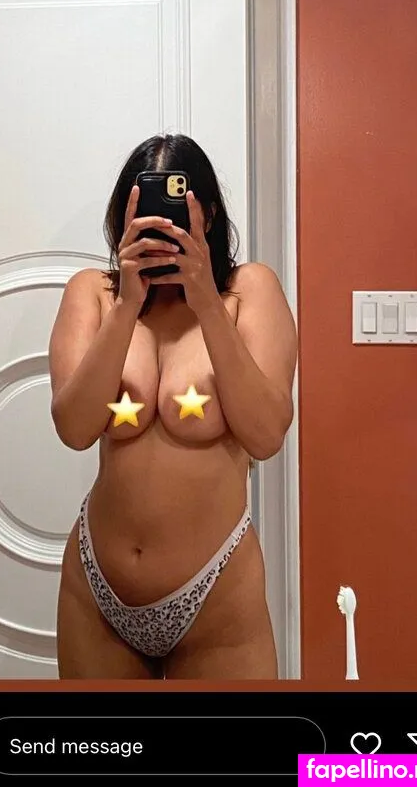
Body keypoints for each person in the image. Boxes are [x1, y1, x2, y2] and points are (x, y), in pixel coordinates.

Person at [49, 133, 298, 679]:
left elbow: (265, 435)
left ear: (208, 215)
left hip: (218, 596)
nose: (160, 229)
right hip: (97, 591)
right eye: (144, 215)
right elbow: (74, 428)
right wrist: (127, 304)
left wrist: (206, 299)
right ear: (122, 219)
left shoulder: (249, 292)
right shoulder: (93, 293)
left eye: (176, 212)